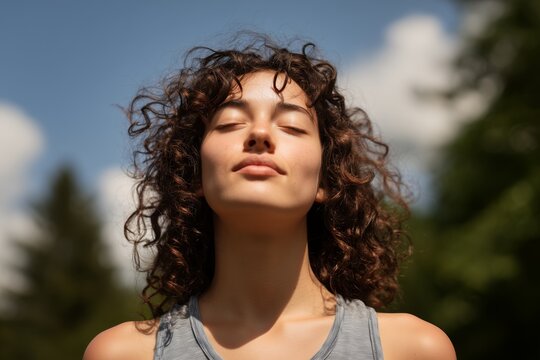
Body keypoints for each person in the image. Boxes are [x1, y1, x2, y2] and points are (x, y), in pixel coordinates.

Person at [84, 35, 456, 360]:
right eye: (230, 123)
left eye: (292, 125)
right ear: (194, 174)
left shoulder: (413, 350)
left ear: (327, 178)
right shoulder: (123, 354)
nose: (260, 133)